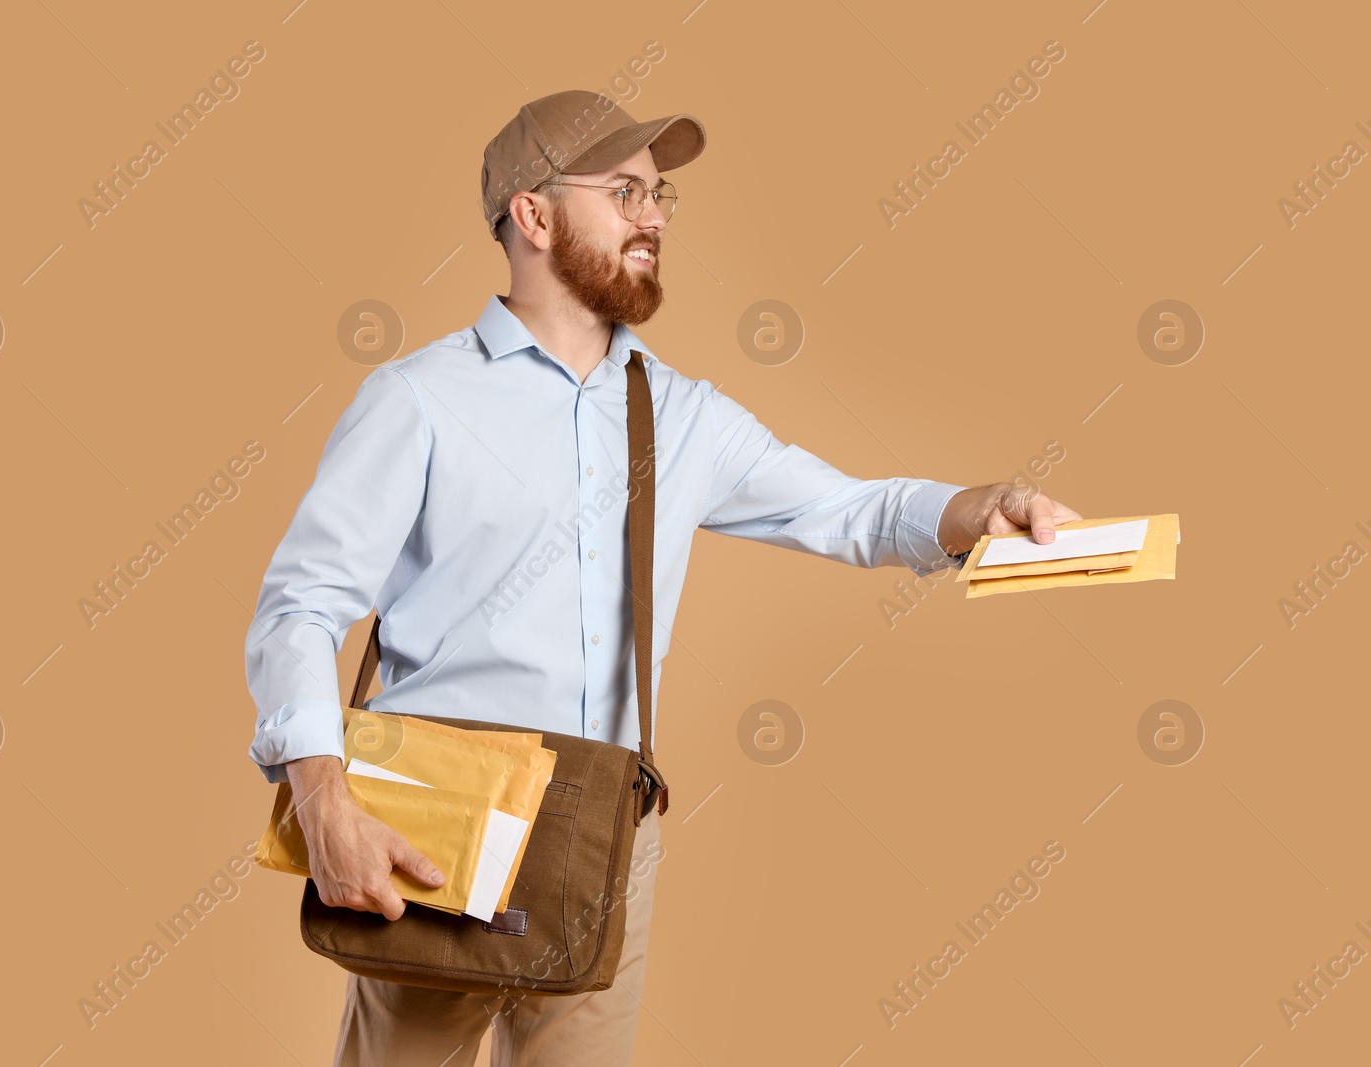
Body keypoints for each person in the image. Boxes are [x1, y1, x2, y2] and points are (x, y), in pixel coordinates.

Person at [244, 89, 1082, 1066]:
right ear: (533, 213)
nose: (652, 216)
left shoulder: (682, 415)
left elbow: (849, 509)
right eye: (624, 191)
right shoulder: (418, 401)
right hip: (436, 819)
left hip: (607, 835)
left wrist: (976, 507)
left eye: (660, 196)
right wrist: (324, 800)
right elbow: (300, 607)